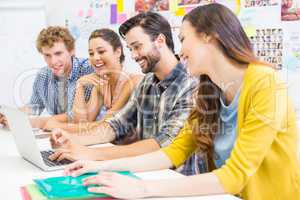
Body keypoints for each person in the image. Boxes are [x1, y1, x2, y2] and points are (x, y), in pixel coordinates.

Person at [63, 4, 300, 200]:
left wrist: (142, 189)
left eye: (184, 38)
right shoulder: (209, 90)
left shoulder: (265, 84)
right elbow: (174, 152)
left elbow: (235, 174)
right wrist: (99, 166)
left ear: (209, 37)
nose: (181, 50)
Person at [49, 12, 197, 164]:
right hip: (145, 171)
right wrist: (71, 139)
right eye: (130, 49)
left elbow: (164, 143)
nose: (133, 55)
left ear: (160, 40)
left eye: (137, 47)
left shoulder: (190, 84)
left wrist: (91, 153)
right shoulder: (147, 83)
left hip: (175, 177)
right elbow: (116, 125)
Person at [43, 29, 143, 132]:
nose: (95, 57)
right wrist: (80, 85)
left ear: (117, 52)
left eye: (101, 51)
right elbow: (81, 122)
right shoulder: (101, 85)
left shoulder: (132, 82)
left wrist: (57, 126)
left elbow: (106, 124)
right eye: (91, 53)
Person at [0, 26, 94, 129]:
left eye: (58, 53)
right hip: (61, 134)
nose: (53, 61)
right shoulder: (43, 75)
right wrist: (12, 115)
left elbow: (79, 116)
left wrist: (32, 122)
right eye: (47, 55)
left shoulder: (88, 70)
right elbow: (35, 106)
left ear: (71, 51)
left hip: (88, 134)